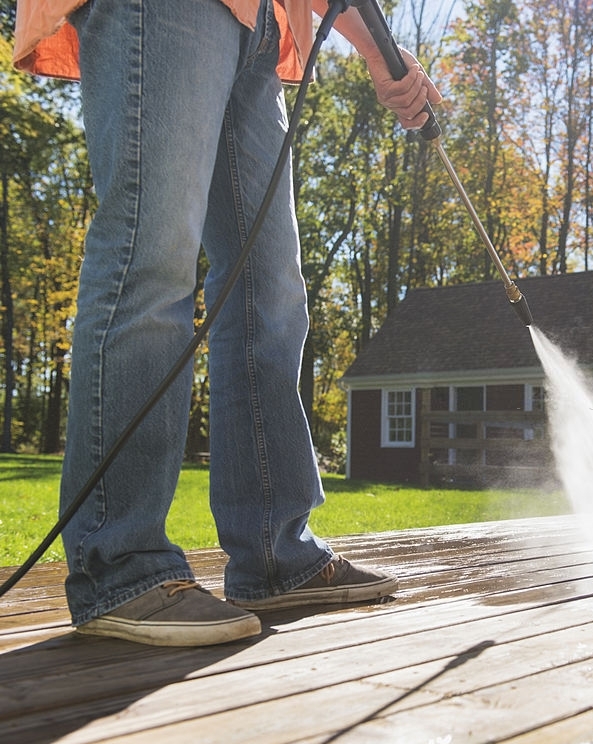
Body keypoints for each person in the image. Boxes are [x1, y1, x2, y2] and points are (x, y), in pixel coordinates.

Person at [12, 0, 443, 647]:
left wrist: (379, 51)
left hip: (264, 27)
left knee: (270, 294)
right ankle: (120, 565)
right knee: (151, 257)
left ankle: (277, 554)